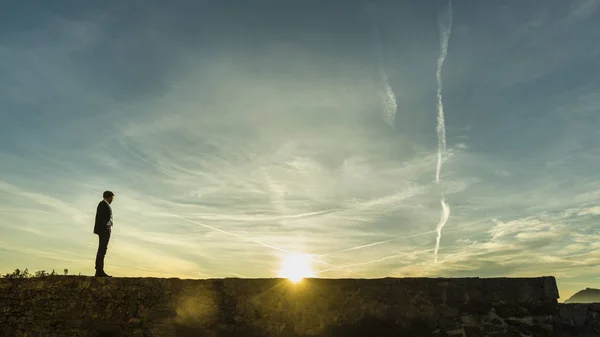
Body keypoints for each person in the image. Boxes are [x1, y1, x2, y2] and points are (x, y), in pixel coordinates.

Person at [94, 190, 114, 277]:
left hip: (105, 230)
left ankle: (99, 270)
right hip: (104, 230)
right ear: (108, 197)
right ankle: (99, 270)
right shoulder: (102, 204)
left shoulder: (105, 205)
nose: (112, 200)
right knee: (102, 249)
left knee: (103, 249)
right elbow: (101, 218)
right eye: (111, 198)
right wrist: (106, 226)